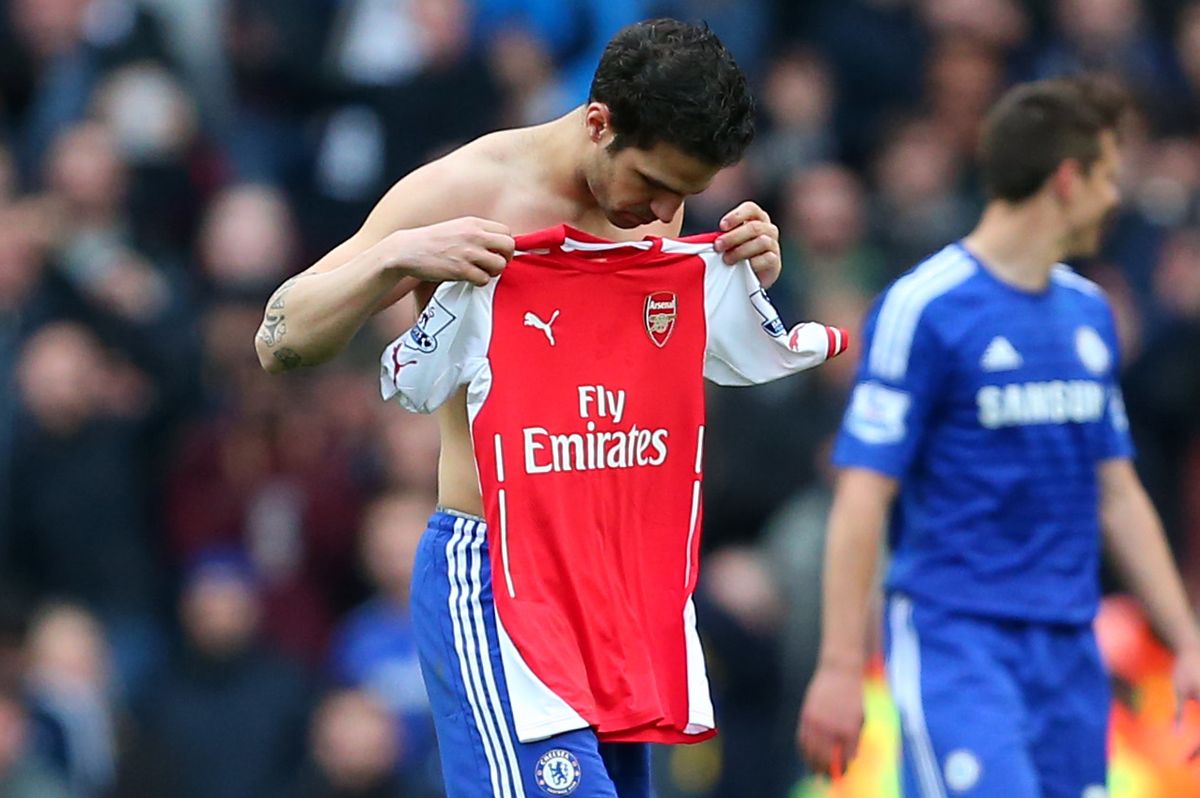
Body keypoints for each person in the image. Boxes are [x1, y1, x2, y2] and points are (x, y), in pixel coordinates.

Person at [255, 18, 787, 798]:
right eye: (653, 183)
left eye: (687, 194)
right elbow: (280, 338)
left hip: (618, 580)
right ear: (599, 123)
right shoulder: (467, 188)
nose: (664, 211)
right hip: (499, 576)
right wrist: (396, 258)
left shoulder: (657, 205)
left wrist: (749, 273)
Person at [797, 75, 1200, 797]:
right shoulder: (924, 308)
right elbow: (861, 497)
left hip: (1070, 651)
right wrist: (837, 667)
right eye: (1109, 176)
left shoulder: (1089, 316)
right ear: (1068, 180)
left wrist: (1187, 640)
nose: (1118, 197)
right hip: (960, 646)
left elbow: (1116, 493)